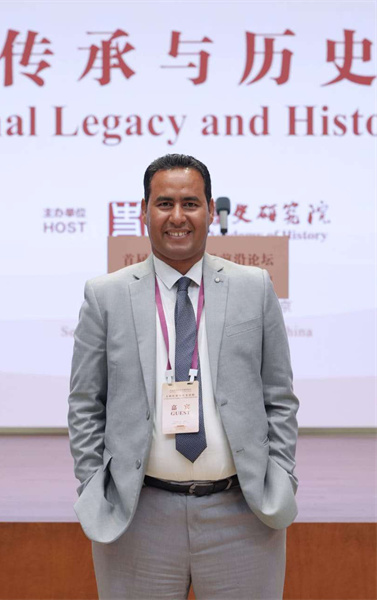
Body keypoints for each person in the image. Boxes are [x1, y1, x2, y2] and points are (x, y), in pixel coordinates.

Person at [67, 153, 299, 600]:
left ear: (211, 210)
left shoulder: (253, 287)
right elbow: (85, 403)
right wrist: (94, 484)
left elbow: (279, 396)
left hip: (243, 514)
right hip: (138, 517)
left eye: (190, 203)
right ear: (144, 211)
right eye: (164, 203)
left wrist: (281, 475)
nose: (177, 217)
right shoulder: (106, 295)